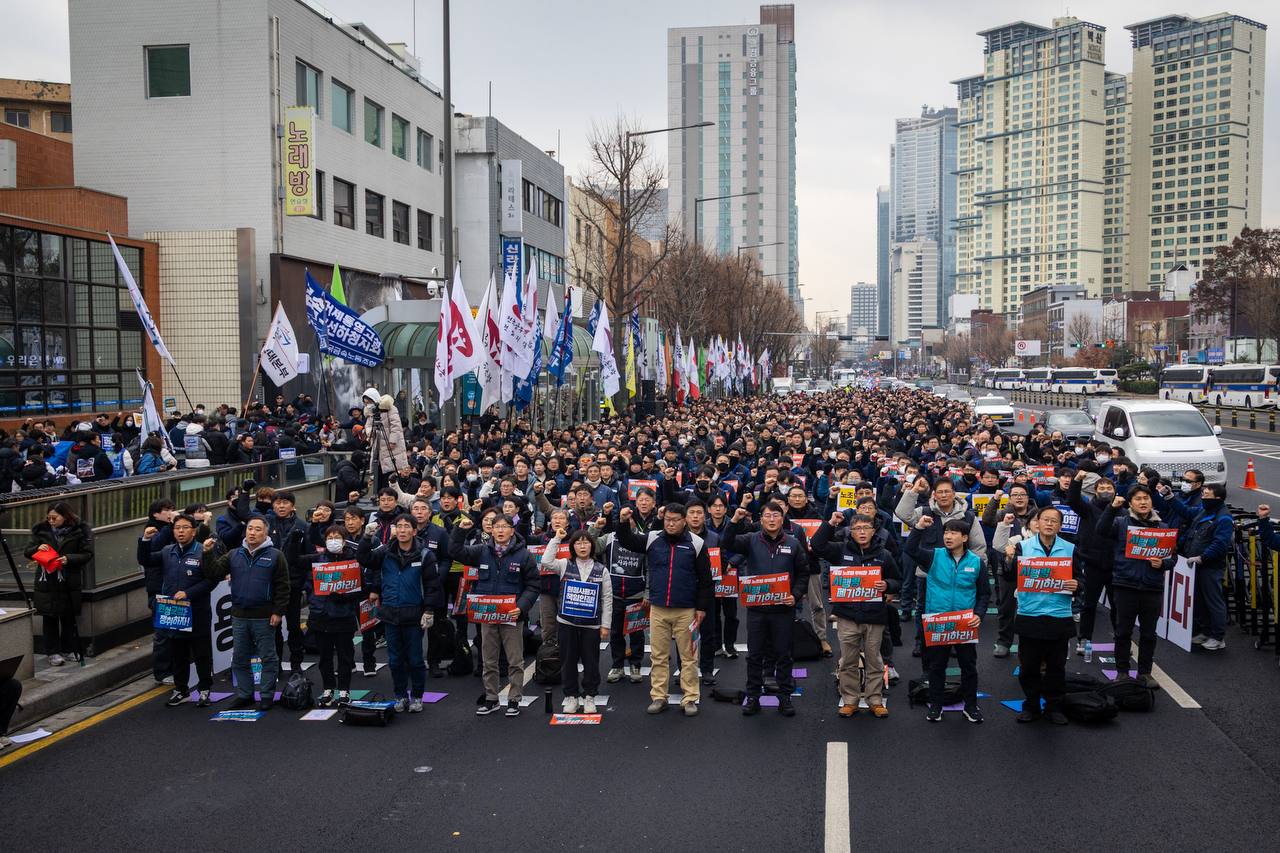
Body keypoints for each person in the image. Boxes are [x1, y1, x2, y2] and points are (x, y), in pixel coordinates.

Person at [614, 502, 714, 717]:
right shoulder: (652, 538)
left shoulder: (696, 543)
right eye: (667, 519)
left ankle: (690, 698)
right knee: (658, 656)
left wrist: (702, 608)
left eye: (675, 520)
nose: (670, 523)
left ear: (684, 520)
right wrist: (622, 522)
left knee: (688, 657)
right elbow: (627, 540)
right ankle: (659, 697)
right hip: (658, 608)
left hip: (686, 609)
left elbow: (706, 579)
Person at [721, 500, 809, 717]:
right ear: (761, 519)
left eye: (775, 515)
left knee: (784, 655)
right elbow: (727, 542)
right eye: (767, 516)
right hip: (757, 609)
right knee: (755, 655)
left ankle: (785, 697)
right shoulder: (750, 540)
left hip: (782, 610)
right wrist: (734, 520)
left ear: (782, 518)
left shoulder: (793, 543)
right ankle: (752, 697)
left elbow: (803, 573)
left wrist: (795, 595)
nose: (771, 519)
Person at [811, 512, 901, 718]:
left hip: (874, 616)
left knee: (875, 661)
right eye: (857, 529)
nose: (862, 532)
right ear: (851, 532)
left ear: (874, 531)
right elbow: (817, 545)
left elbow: (897, 579)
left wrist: (887, 585)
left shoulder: (883, 554)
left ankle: (875, 699)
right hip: (848, 616)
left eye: (866, 528)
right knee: (848, 661)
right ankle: (850, 699)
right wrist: (830, 523)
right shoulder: (840, 550)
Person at [449, 513, 540, 717]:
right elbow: (455, 551)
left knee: (515, 661)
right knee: (489, 660)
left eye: (504, 526)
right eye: (496, 526)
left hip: (512, 616)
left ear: (512, 530)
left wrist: (522, 607)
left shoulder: (523, 555)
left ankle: (514, 699)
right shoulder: (482, 551)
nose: (499, 530)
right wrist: (460, 530)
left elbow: (534, 585)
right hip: (487, 616)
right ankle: (491, 698)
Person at [906, 517, 990, 723]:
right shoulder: (934, 556)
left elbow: (984, 594)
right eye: (946, 533)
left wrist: (978, 614)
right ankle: (936, 705)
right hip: (938, 621)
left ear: (964, 537)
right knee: (937, 666)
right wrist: (917, 528)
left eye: (953, 533)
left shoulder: (976, 562)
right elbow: (910, 549)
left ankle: (971, 706)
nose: (948, 536)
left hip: (964, 623)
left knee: (968, 667)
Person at [202, 516, 290, 711]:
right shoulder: (234, 554)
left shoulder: (276, 555)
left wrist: (278, 612)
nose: (252, 532)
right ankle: (245, 694)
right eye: (250, 528)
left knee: (268, 657)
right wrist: (207, 553)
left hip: (264, 616)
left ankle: (266, 695)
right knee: (240, 658)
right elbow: (214, 572)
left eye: (257, 529)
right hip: (239, 615)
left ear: (265, 533)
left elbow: (283, 587)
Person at [1006, 506, 1081, 725]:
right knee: (1029, 665)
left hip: (1059, 613)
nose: (1049, 524)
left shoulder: (1070, 548)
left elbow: (1080, 579)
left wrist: (1077, 585)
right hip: (1030, 612)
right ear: (1037, 523)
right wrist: (1009, 559)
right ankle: (1031, 705)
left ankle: (1054, 706)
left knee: (1056, 666)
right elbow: (1010, 576)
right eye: (1045, 520)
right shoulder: (1022, 547)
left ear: (1060, 525)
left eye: (1054, 521)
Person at [1097, 486, 1174, 689]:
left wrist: (1163, 564)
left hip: (1152, 587)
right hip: (1125, 585)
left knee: (1149, 634)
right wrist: (1112, 508)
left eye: (1146, 498)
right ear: (1130, 503)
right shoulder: (1122, 523)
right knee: (1123, 631)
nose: (1143, 502)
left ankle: (1145, 673)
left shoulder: (1162, 526)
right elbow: (1101, 530)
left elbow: (1172, 557)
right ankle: (1122, 672)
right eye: (1138, 499)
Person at [365, 515, 441, 713]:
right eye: (399, 526)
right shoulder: (385, 552)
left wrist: (429, 610)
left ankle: (417, 696)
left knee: (415, 659)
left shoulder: (425, 555)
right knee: (395, 660)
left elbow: (433, 586)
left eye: (407, 526)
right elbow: (365, 559)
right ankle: (399, 695)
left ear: (414, 531)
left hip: (414, 614)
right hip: (390, 613)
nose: (402, 530)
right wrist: (366, 539)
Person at [138, 513, 215, 707]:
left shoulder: (202, 551)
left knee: (201, 652)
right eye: (177, 528)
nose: (180, 531)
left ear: (194, 530)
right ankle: (181, 690)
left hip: (197, 610)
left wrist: (188, 593)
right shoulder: (167, 551)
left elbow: (211, 580)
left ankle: (204, 688)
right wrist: (146, 539)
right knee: (178, 654)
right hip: (174, 612)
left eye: (185, 527)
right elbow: (145, 560)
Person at [540, 527, 613, 714]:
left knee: (591, 662)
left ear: (592, 546)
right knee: (568, 661)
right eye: (578, 542)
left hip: (592, 625)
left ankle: (589, 696)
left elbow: (607, 598)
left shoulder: (601, 569)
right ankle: (571, 696)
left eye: (586, 542)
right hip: (567, 623)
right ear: (573, 546)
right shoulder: (564, 564)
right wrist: (556, 538)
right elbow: (546, 561)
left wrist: (605, 625)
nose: (582, 546)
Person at [24, 502, 94, 667]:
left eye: (54, 518)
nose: (51, 521)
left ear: (65, 516)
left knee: (68, 617)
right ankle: (52, 652)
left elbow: (87, 554)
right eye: (49, 518)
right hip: (46, 581)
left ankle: (68, 648)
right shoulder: (41, 530)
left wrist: (68, 559)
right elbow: (28, 551)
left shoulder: (79, 531)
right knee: (49, 618)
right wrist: (36, 549)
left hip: (68, 579)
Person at [1183, 482, 1232, 652]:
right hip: (1196, 565)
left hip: (1210, 566)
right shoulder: (1205, 511)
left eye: (1207, 495)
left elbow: (1220, 543)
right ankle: (1205, 631)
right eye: (1202, 494)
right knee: (1199, 601)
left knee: (1213, 601)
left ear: (1217, 498)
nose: (1203, 497)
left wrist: (1202, 558)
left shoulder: (1223, 517)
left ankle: (1218, 637)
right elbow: (1190, 526)